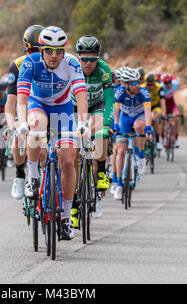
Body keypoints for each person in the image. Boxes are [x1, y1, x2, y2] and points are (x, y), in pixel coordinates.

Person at [16, 26, 90, 240]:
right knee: (36, 125)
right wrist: (22, 122)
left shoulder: (72, 63)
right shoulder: (30, 63)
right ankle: (32, 177)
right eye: (49, 50)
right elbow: (22, 98)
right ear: (41, 50)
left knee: (68, 159)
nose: (54, 55)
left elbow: (81, 95)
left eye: (59, 50)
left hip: (63, 109)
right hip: (37, 104)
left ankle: (66, 217)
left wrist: (83, 123)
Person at [70, 35, 114, 222]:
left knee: (98, 128)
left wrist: (107, 125)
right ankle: (71, 204)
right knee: (71, 154)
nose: (88, 63)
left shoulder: (104, 70)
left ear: (98, 57)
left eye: (92, 59)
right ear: (78, 57)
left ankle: (102, 171)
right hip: (73, 107)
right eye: (84, 59)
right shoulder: (71, 67)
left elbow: (110, 99)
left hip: (98, 105)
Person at [5, 24, 44, 200]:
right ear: (25, 50)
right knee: (19, 136)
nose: (36, 54)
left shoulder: (53, 63)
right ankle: (20, 174)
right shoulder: (18, 65)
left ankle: (48, 182)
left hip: (45, 108)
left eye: (40, 50)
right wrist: (12, 123)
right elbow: (11, 102)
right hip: (25, 109)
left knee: (44, 150)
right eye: (32, 50)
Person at [113, 67, 153, 200]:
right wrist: (116, 125)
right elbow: (116, 112)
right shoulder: (119, 92)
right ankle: (119, 185)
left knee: (139, 126)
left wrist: (148, 127)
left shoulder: (144, 92)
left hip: (139, 116)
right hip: (124, 118)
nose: (138, 85)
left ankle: (141, 156)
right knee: (121, 151)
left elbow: (148, 112)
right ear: (125, 84)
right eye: (134, 83)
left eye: (139, 82)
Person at [141, 73, 166, 150]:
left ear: (155, 82)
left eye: (152, 84)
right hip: (144, 107)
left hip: (155, 107)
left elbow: (162, 102)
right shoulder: (142, 88)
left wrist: (164, 114)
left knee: (155, 118)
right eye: (148, 84)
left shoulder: (159, 88)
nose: (150, 87)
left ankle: (158, 141)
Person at [161, 74, 181, 148]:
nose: (168, 84)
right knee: (164, 121)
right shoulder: (160, 87)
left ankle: (176, 139)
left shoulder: (175, 84)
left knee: (177, 117)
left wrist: (169, 76)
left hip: (172, 105)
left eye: (170, 82)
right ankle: (163, 137)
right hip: (163, 106)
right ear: (163, 83)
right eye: (166, 83)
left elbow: (175, 77)